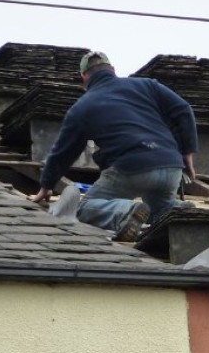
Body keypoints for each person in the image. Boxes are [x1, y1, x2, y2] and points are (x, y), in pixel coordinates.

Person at [31, 50, 198, 241]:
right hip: (171, 166)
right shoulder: (146, 85)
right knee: (158, 212)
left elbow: (63, 152)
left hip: (131, 167)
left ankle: (125, 212)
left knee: (83, 208)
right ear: (112, 69)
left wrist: (47, 184)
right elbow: (183, 109)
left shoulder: (82, 107)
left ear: (83, 77)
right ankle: (177, 213)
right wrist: (187, 153)